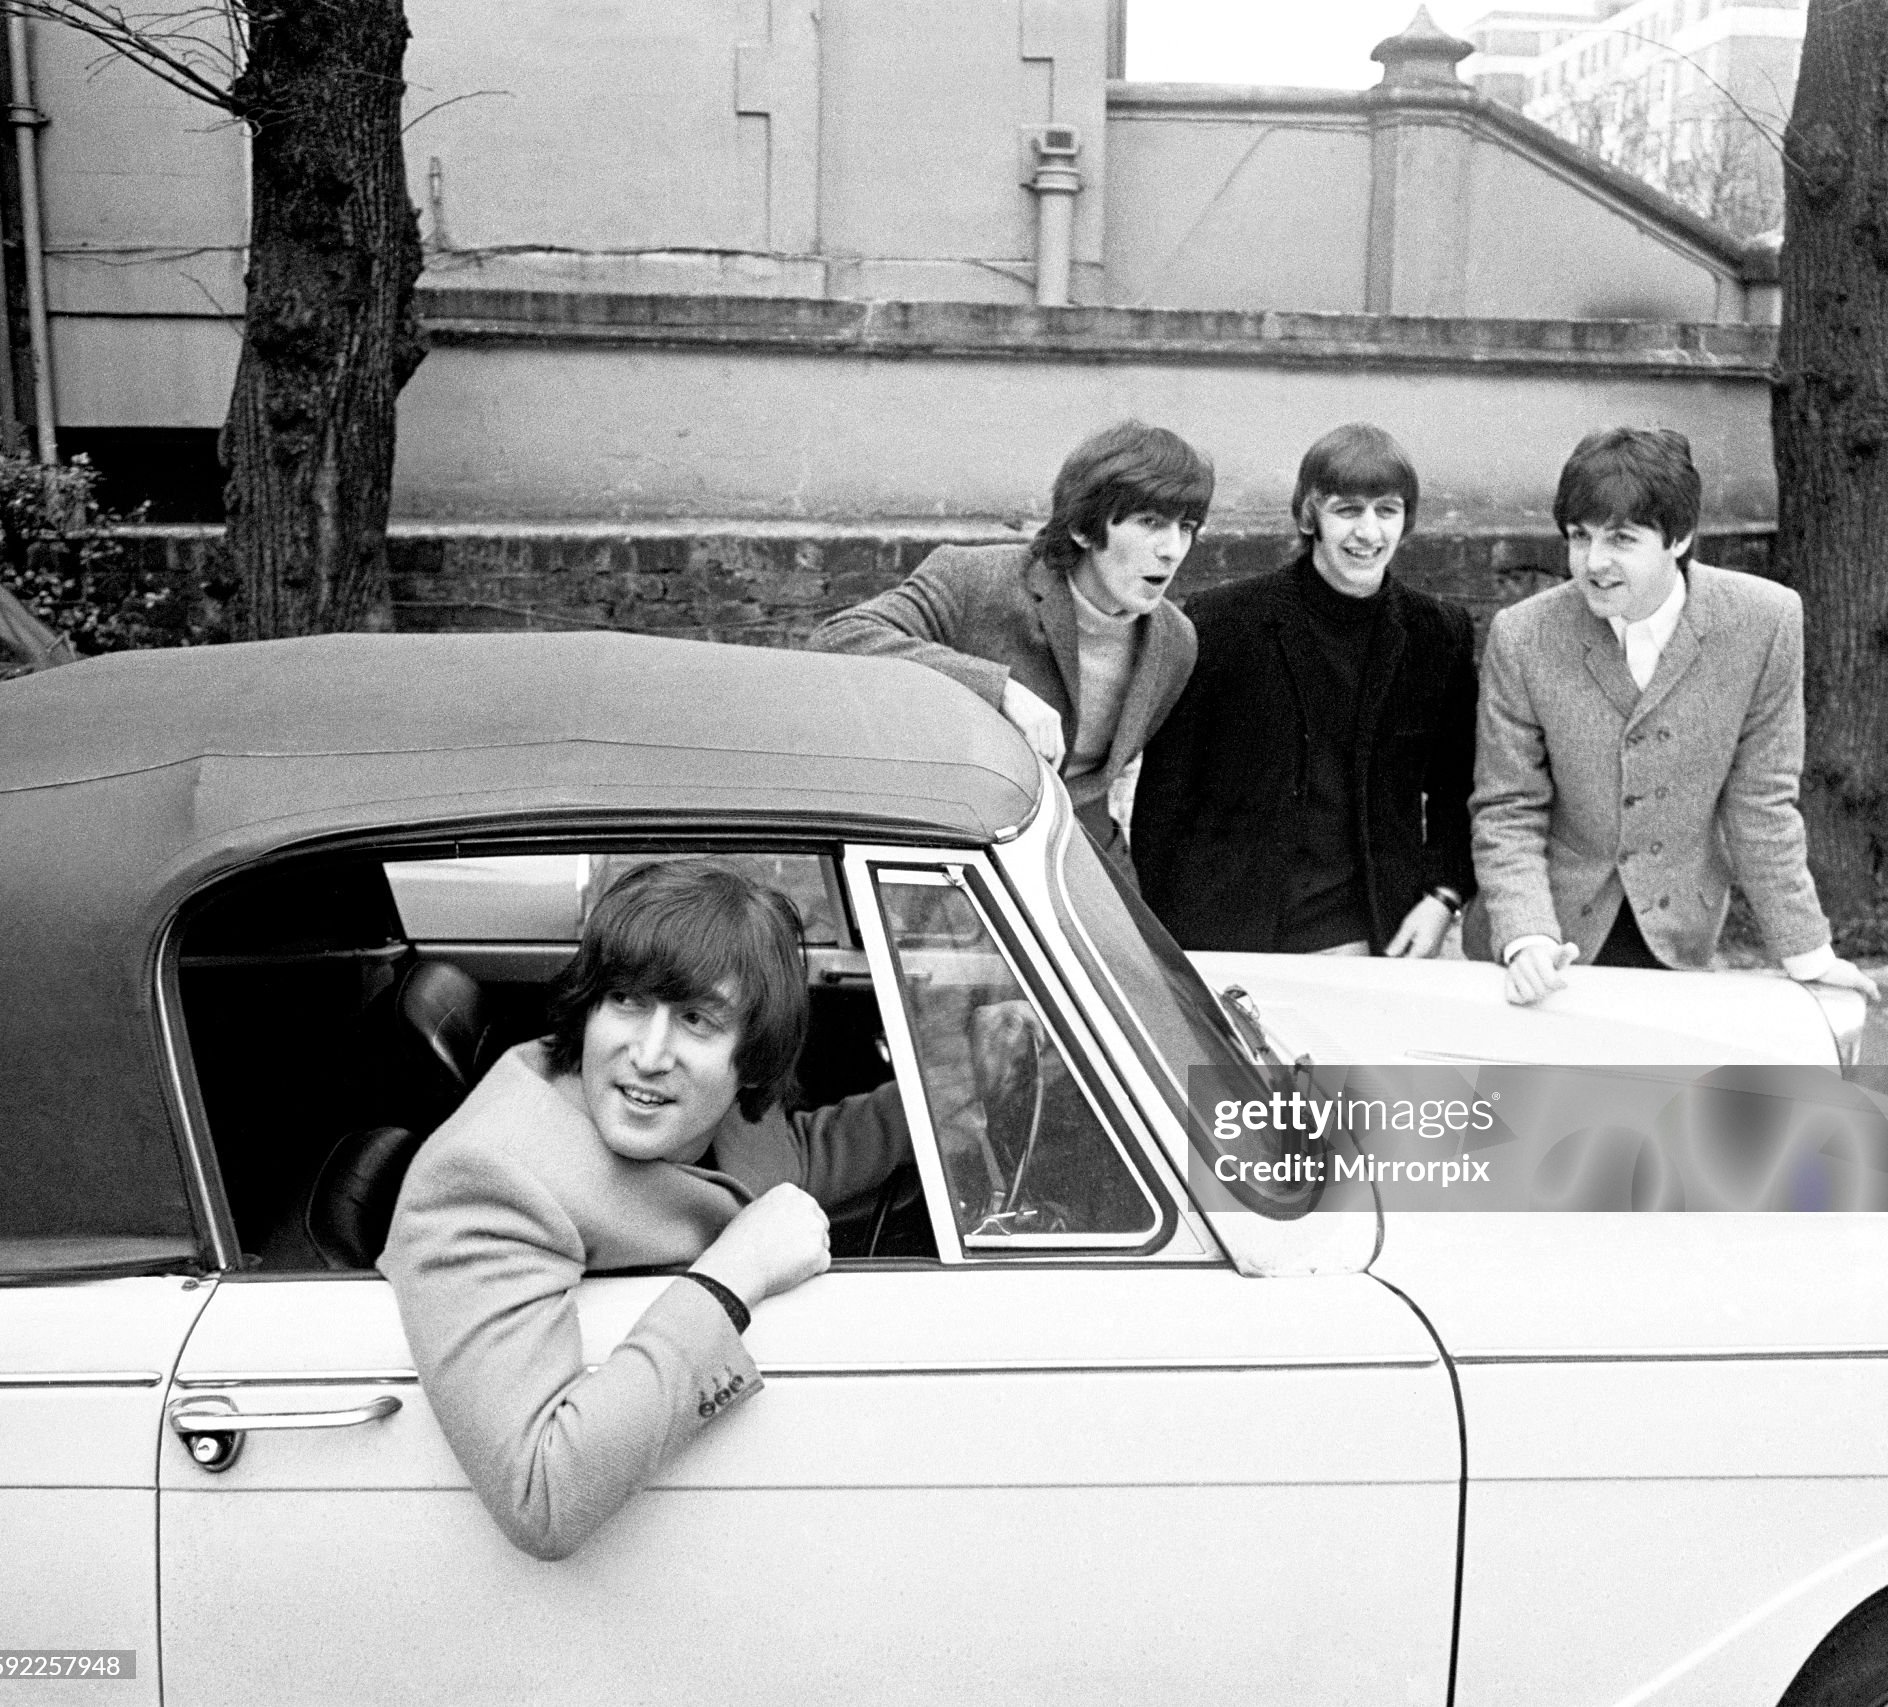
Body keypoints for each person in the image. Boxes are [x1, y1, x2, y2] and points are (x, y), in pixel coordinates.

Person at [379, 861, 910, 1560]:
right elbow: (542, 1491)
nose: (648, 1054)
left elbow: (790, 1160)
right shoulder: (487, 1179)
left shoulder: (718, 1104)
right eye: (626, 1000)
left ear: (750, 1058)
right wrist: (728, 1279)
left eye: (695, 1018)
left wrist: (951, 1091)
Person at [1469, 426, 1880, 1006]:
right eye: (1578, 537)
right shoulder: (1522, 635)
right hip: (1547, 938)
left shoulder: (1766, 622)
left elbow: (1761, 801)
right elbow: (1509, 807)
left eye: (1621, 540)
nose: (1593, 563)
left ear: (1680, 537)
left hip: (1675, 936)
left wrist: (1808, 952)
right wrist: (1527, 936)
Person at [1131, 423, 1478, 955]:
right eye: (1347, 510)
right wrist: (1158, 939)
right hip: (1222, 929)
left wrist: (1443, 897)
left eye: (1386, 510)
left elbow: (1461, 788)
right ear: (1308, 514)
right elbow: (1165, 799)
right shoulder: (1219, 625)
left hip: (1367, 929)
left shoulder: (1438, 635)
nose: (1368, 532)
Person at [808, 420, 1212, 875]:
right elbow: (837, 639)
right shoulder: (974, 579)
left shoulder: (1175, 641)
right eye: (1150, 522)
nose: (1173, 549)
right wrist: (999, 692)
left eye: (1187, 526)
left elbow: (1098, 785)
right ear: (1083, 527)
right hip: (953, 863)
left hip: (1084, 866)